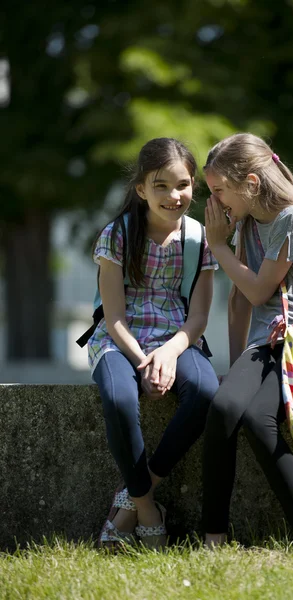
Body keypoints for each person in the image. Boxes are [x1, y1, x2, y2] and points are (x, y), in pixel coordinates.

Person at [202, 133, 293, 557]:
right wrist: (237, 370)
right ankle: (214, 538)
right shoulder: (246, 222)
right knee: (227, 406)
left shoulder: (292, 218)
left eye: (218, 191)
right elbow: (238, 300)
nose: (215, 203)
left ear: (250, 182)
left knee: (255, 418)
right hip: (268, 342)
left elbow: (257, 290)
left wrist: (217, 245)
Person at [88, 137, 219, 549]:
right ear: (141, 188)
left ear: (194, 186)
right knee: (120, 398)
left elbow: (198, 317)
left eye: (182, 185)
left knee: (204, 392)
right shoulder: (119, 234)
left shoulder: (200, 239)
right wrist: (145, 361)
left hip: (178, 337)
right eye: (160, 185)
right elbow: (114, 318)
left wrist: (169, 351)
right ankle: (147, 510)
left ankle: (128, 501)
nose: (173, 195)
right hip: (120, 340)